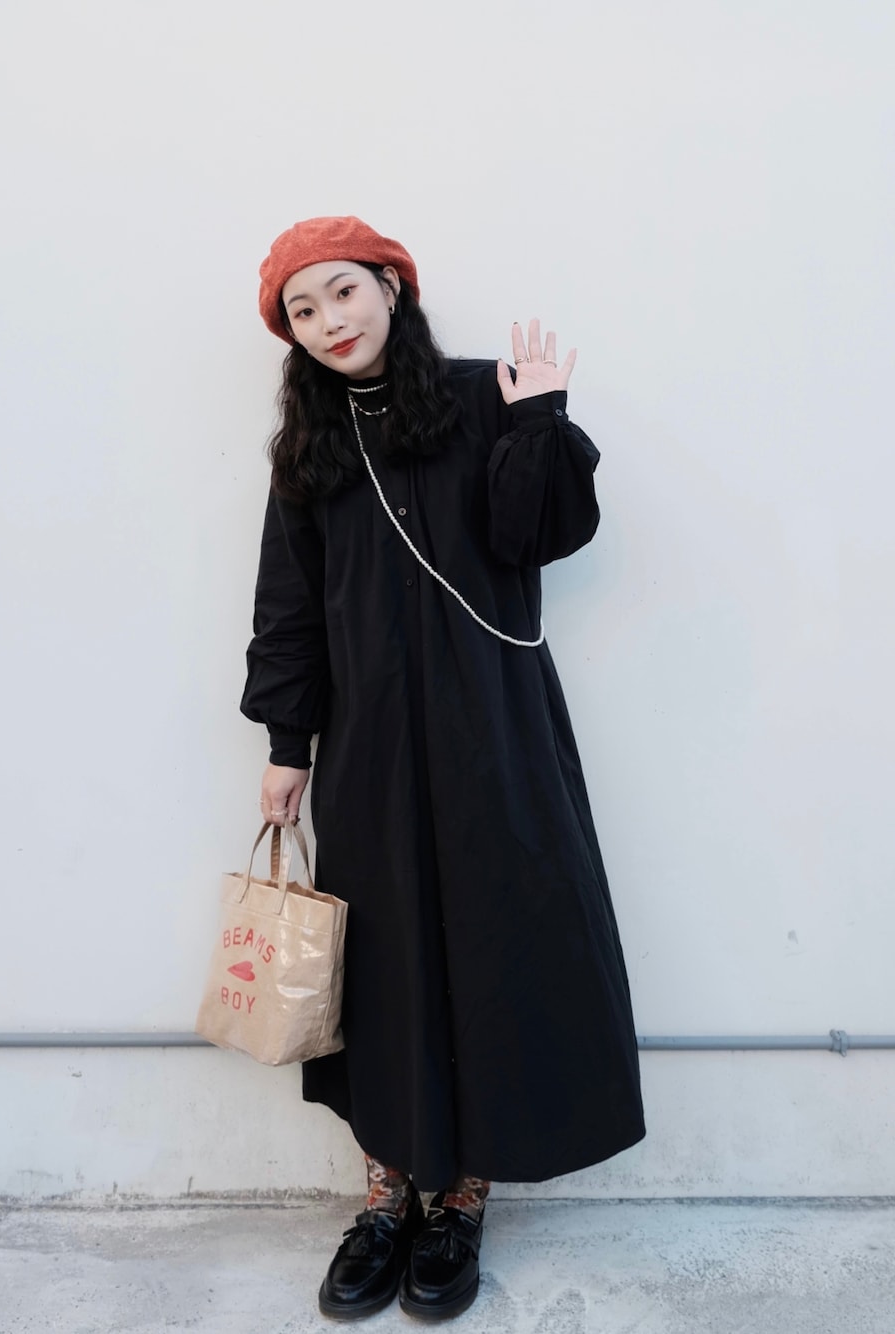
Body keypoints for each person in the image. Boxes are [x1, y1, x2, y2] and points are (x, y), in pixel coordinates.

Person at [241, 215, 645, 1321]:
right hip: (369, 744)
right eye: (304, 311)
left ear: (389, 285)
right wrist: (286, 745)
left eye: (342, 292)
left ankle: (462, 1196)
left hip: (495, 728)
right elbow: (290, 603)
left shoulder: (478, 396)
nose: (329, 321)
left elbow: (537, 536)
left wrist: (540, 416)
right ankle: (387, 1196)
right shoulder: (310, 446)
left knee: (494, 942)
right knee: (384, 959)